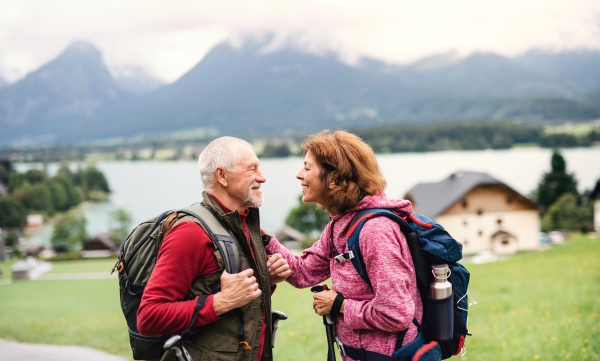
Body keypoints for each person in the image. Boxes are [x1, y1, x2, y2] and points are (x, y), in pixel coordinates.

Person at [262, 130, 423, 361]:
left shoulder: (375, 231)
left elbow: (396, 314)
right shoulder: (341, 224)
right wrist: (266, 240)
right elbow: (302, 273)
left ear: (335, 177)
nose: (299, 175)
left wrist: (339, 305)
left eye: (308, 168)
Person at [138, 136, 291, 361]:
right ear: (222, 176)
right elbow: (148, 317)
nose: (262, 177)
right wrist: (221, 302)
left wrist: (267, 280)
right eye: (252, 169)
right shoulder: (190, 233)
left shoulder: (244, 224)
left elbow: (236, 297)